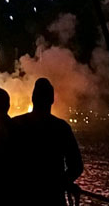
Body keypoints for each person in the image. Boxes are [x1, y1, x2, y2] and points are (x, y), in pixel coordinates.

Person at [11, 78, 83, 206]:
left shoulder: (16, 124)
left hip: (20, 197)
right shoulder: (61, 128)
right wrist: (61, 183)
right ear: (52, 100)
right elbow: (76, 166)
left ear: (33, 98)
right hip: (52, 198)